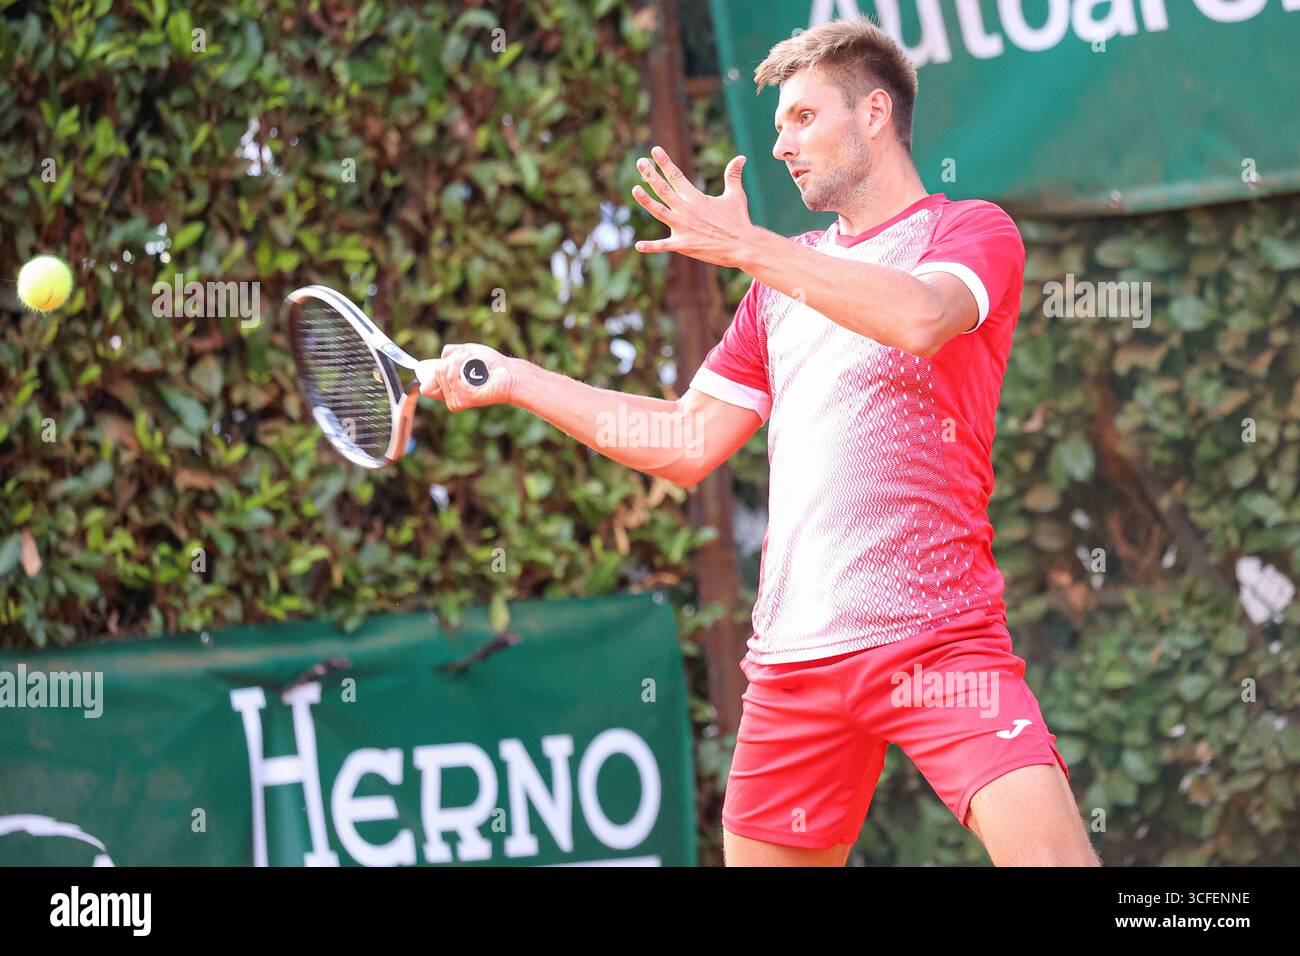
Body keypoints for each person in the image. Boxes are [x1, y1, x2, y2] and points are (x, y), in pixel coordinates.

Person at [423, 16, 1099, 868]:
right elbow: (682, 440)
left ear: (876, 114)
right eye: (777, 125)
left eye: (803, 118)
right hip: (793, 667)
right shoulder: (775, 289)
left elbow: (922, 317)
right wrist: (518, 378)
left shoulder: (969, 230)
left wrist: (749, 246)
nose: (782, 145)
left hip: (938, 642)